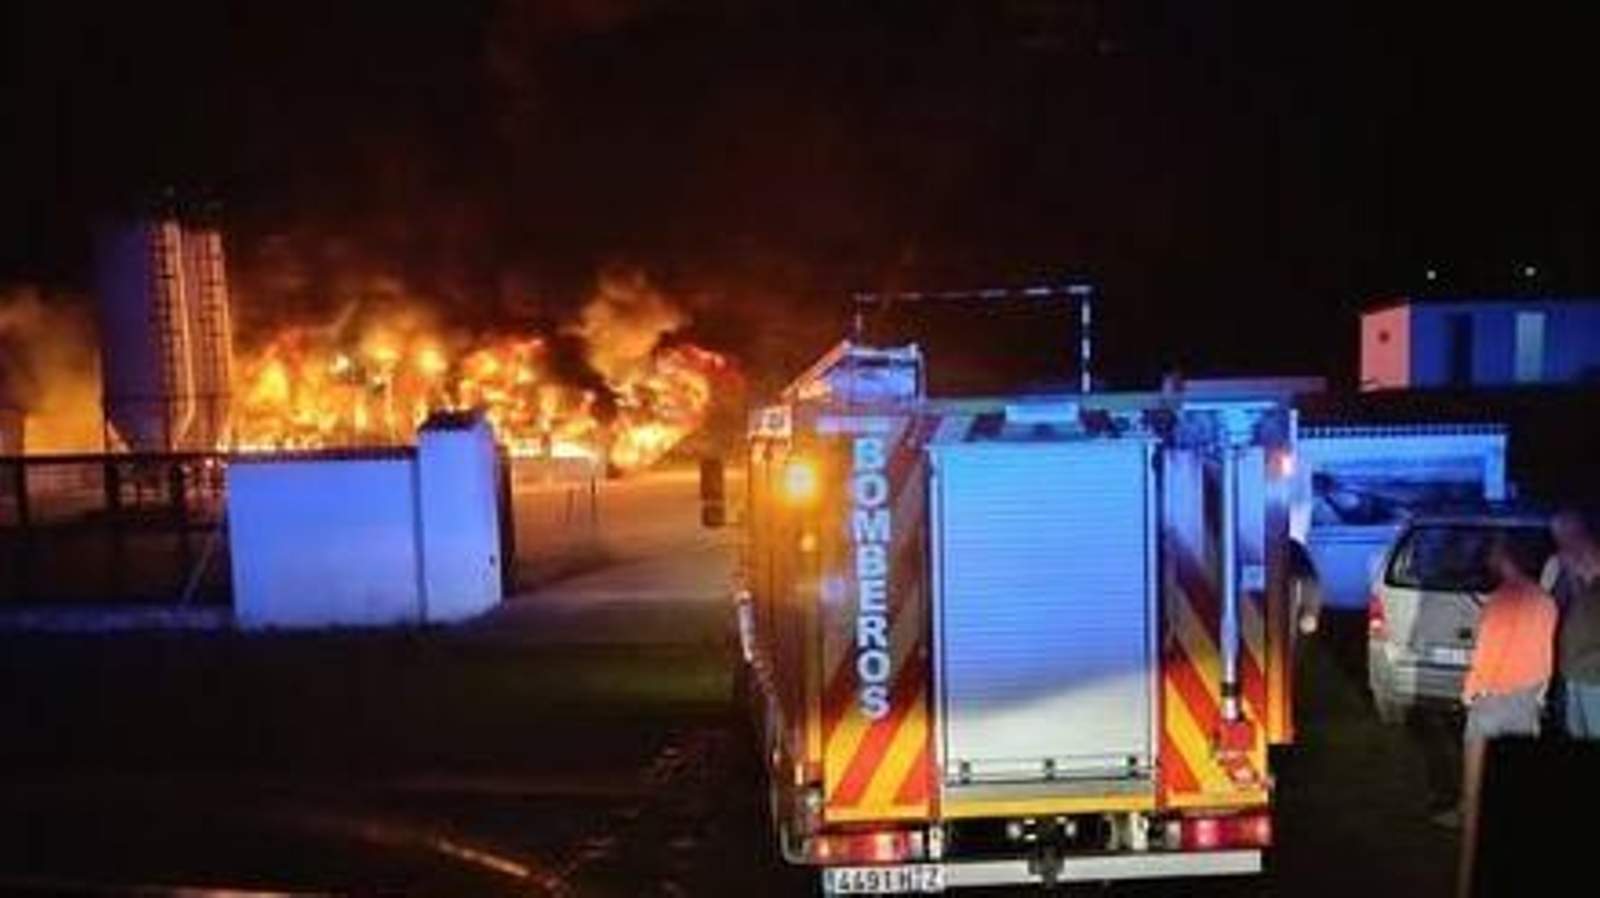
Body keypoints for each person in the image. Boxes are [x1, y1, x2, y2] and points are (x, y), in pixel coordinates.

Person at [1445, 533, 1558, 898]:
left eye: (1492, 555)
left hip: (1494, 702)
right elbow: (1546, 656)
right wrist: (1539, 695)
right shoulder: (1545, 601)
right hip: (1527, 700)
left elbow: (1486, 655)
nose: (1488, 560)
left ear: (1503, 558)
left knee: (1477, 789)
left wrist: (1468, 693)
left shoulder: (1502, 601)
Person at [1548, 507, 1600, 739]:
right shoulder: (1567, 571)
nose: (1561, 544)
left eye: (1564, 534)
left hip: (1594, 679)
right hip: (1571, 673)